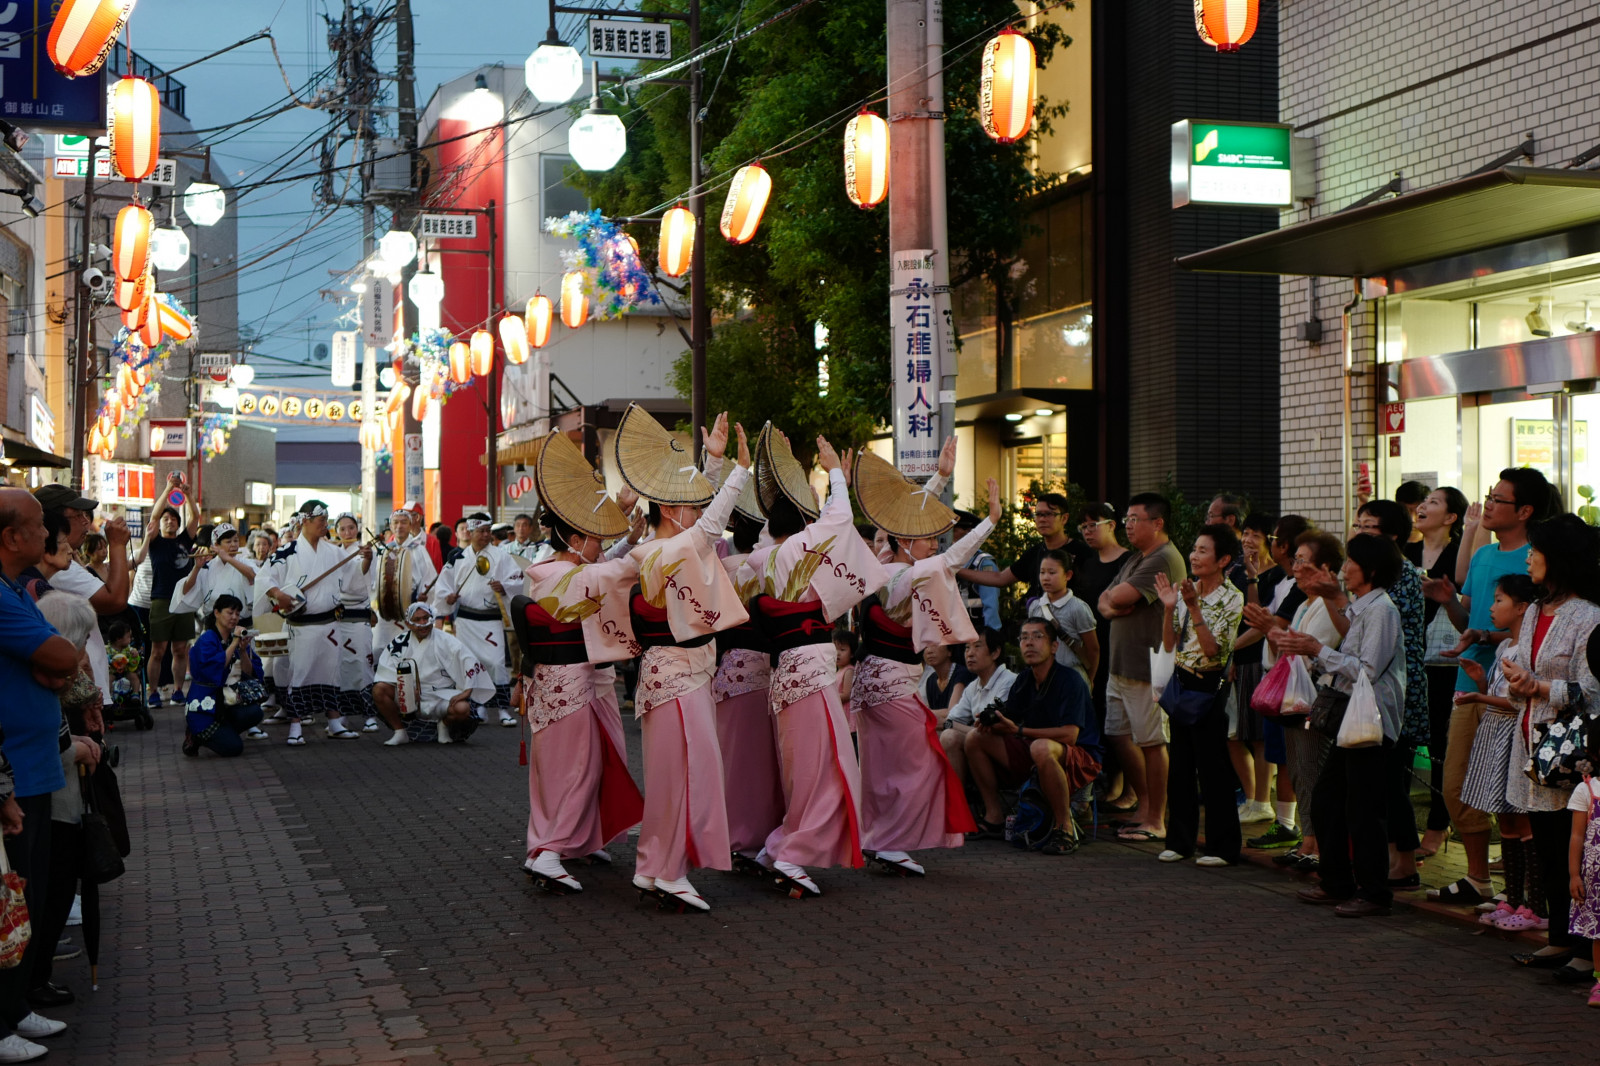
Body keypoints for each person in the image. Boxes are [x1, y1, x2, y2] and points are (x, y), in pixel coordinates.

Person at [617, 408, 752, 910]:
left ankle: (656, 866)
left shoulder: (666, 546)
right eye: (687, 508)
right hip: (675, 677)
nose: (697, 512)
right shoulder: (656, 554)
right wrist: (736, 471)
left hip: (677, 675)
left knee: (677, 773)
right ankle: (667, 868)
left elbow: (700, 520)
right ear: (671, 512)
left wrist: (712, 464)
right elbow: (707, 526)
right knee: (687, 772)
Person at [745, 428, 883, 897]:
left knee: (802, 765)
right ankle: (789, 851)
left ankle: (779, 847)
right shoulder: (801, 546)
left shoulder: (762, 557)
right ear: (805, 521)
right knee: (820, 766)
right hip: (809, 666)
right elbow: (841, 516)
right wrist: (835, 472)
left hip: (789, 669)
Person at [849, 461, 995, 876]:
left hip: (871, 683)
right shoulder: (909, 577)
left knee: (880, 767)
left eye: (933, 539)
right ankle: (891, 841)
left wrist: (941, 479)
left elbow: (906, 527)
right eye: (927, 539)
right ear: (906, 543)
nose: (933, 544)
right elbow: (951, 559)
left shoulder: (881, 565)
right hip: (893, 686)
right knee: (921, 764)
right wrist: (990, 521)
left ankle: (878, 838)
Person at [516, 429, 646, 893]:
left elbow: (602, 566)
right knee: (574, 766)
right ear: (574, 539)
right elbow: (609, 571)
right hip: (568, 678)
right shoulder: (562, 575)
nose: (598, 544)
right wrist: (652, 544)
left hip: (570, 678)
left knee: (597, 757)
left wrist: (625, 523)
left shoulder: (557, 569)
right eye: (592, 538)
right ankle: (549, 849)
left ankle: (578, 839)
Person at [1424, 466, 1553, 906]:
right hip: (1470, 679)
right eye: (1491, 497)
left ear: (1526, 510)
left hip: (1512, 689)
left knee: (1511, 795)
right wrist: (1450, 606)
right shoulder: (1482, 557)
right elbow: (1472, 618)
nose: (1489, 505)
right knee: (1456, 784)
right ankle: (1478, 878)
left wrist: (1484, 636)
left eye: (1498, 499)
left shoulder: (1538, 557)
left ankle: (1528, 898)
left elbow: (1532, 630)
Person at [1278, 534, 1408, 918]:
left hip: (1371, 724)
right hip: (1353, 721)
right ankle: (1337, 882)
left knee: (1363, 809)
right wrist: (1315, 653)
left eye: (1350, 562)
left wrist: (1318, 651)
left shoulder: (1382, 610)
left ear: (1369, 570)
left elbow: (1367, 671)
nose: (1343, 569)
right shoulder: (1360, 608)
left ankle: (1373, 893)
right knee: (1329, 800)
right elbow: (1350, 664)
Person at [0, 489, 83, 1056]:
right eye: (37, 526)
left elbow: (61, 659)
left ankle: (16, 1005)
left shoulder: (16, 590)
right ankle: (2, 1022)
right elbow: (60, 658)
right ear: (11, 537)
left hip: (35, 765)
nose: (46, 535)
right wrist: (50, 664)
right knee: (11, 894)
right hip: (12, 772)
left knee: (30, 892)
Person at [1499, 514, 1600, 982]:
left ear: (1556, 556)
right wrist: (1515, 676)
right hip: (1532, 744)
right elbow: (1522, 664)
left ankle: (1584, 947)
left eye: (1535, 549)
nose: (1528, 556)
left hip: (1572, 751)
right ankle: (1559, 937)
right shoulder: (1537, 610)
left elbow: (1592, 692)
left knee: (1573, 848)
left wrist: (1538, 687)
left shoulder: (1589, 616)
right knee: (1547, 843)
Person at [964, 618, 1101, 856]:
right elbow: (1012, 719)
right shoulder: (1024, 680)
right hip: (1037, 748)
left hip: (1081, 755)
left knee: (1040, 748)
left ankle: (1064, 828)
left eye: (1037, 637)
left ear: (1054, 647)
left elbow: (1070, 735)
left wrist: (1017, 731)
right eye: (1024, 637)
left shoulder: (1071, 680)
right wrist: (992, 721)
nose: (1029, 643)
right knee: (975, 738)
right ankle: (994, 817)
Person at [1253, 531, 1346, 872]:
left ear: (1325, 567)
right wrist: (1274, 634)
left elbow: (1308, 650)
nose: (1296, 566)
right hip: (1297, 695)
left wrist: (1270, 631)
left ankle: (1317, 843)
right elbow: (1286, 650)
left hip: (1314, 696)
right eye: (1296, 560)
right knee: (1299, 770)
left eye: (1303, 560)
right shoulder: (1306, 602)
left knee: (1311, 770)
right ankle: (1308, 839)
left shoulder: (1326, 604)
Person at [29, 591, 102, 1018]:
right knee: (50, 888)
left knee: (56, 887)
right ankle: (33, 982)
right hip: (48, 798)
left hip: (58, 791)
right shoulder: (45, 672)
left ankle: (36, 978)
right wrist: (72, 748)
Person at [1098, 492, 1187, 844]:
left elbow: (1116, 599)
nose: (1129, 526)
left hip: (1146, 666)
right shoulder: (1138, 557)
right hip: (1121, 665)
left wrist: (1112, 603)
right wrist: (1110, 604)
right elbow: (1104, 599)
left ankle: (1156, 818)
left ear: (1157, 522)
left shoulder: (1164, 558)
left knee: (1151, 742)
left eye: (1135, 519)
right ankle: (1144, 806)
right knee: (1118, 735)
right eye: (1128, 519)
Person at [1155, 523, 1245, 867]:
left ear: (1223, 559)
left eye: (1203, 551)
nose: (1194, 555)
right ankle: (1180, 841)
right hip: (1181, 682)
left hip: (1209, 687)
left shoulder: (1232, 597)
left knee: (1213, 770)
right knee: (1179, 767)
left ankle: (1223, 848)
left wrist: (1193, 607)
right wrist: (1168, 606)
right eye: (1194, 549)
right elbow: (1168, 643)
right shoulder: (1184, 590)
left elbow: (1212, 652)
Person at [1456, 574, 1539, 930]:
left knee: (1521, 818)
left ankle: (1535, 904)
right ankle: (1513, 898)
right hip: (1496, 736)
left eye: (1500, 600)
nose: (1491, 607)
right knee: (1504, 818)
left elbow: (1515, 702)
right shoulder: (1505, 648)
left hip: (1513, 739)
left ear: (1522, 608)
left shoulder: (1530, 649)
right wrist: (1479, 681)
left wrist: (1479, 696)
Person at [1355, 499, 1427, 887]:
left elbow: (1377, 636)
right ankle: (1393, 859)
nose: (1361, 534)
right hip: (1376, 686)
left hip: (1398, 688)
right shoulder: (1376, 574)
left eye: (1371, 528)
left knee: (1392, 779)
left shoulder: (1403, 576)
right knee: (1381, 779)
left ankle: (1405, 862)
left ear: (1394, 535)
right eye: (1358, 526)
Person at [263, 500, 365, 744]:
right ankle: (295, 727)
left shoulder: (334, 551)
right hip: (302, 624)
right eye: (321, 521)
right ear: (305, 521)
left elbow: (352, 576)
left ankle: (334, 722)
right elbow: (264, 577)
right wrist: (279, 594)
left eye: (326, 521)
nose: (325, 526)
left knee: (331, 674)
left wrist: (368, 560)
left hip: (330, 623)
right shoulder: (288, 551)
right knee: (300, 674)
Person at [1242, 515, 1314, 849]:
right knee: (1281, 755)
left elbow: (1274, 625)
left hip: (1296, 680)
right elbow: (1263, 619)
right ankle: (1287, 824)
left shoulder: (1301, 588)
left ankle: (1303, 832)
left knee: (1296, 758)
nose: (1299, 564)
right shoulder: (1285, 582)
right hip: (1278, 673)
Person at [33, 484, 130, 732]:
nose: (87, 524)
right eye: (79, 516)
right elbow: (115, 600)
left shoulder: (64, 563)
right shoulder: (55, 570)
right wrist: (117, 545)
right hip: (71, 688)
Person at [1407, 486, 1467, 858]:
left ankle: (1437, 825)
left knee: (1442, 746)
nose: (1422, 506)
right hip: (1409, 656)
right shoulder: (1408, 552)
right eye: (1423, 501)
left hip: (1445, 660)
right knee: (1411, 742)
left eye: (1433, 502)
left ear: (1450, 518)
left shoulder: (1459, 554)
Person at [431, 511, 524, 726]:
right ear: (470, 532)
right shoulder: (458, 557)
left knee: (497, 662)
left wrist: (505, 587)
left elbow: (517, 578)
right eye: (480, 531)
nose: (485, 535)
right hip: (465, 619)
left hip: (490, 619)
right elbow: (443, 586)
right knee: (471, 663)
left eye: (487, 531)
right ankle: (478, 706)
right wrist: (449, 597)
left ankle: (502, 709)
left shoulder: (500, 556)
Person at [372, 601, 496, 745]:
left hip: (441, 697)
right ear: (409, 623)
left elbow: (468, 661)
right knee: (379, 690)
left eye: (426, 618)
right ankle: (400, 732)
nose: (423, 623)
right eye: (417, 620)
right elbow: (386, 672)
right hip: (410, 698)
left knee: (463, 708)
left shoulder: (446, 640)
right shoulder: (399, 642)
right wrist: (405, 689)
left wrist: (467, 691)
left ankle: (443, 724)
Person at [369, 506, 441, 729]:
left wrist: (422, 599)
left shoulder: (419, 550)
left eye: (404, 522)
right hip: (386, 616)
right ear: (390, 526)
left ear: (411, 526)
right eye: (396, 522)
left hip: (410, 613)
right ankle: (379, 706)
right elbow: (374, 584)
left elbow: (429, 583)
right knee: (380, 653)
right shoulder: (383, 550)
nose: (399, 526)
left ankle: (412, 707)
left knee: (411, 659)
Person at [1229, 511, 1277, 824]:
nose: (1248, 539)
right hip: (1235, 662)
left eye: (1255, 535)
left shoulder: (1275, 576)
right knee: (1232, 733)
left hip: (1259, 662)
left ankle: (1263, 801)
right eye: (1245, 533)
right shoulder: (1235, 571)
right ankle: (1250, 797)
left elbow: (1258, 619)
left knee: (1258, 736)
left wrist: (1253, 577)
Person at [139, 474, 200, 707]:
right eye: (166, 519)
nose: (169, 522)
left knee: (180, 649)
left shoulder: (185, 540)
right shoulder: (155, 542)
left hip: (184, 599)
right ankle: (152, 691)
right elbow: (154, 515)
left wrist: (189, 495)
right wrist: (167, 489)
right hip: (161, 599)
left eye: (173, 519)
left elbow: (195, 517)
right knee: (158, 650)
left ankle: (177, 691)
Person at [181, 594, 265, 758]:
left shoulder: (235, 639)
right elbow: (214, 669)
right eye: (230, 612)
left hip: (226, 704)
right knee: (234, 748)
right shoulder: (207, 639)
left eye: (237, 613)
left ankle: (222, 733)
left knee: (255, 712)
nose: (234, 617)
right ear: (217, 613)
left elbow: (250, 674)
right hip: (205, 709)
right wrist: (234, 643)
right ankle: (196, 735)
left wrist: (242, 650)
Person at [955, 486, 1070, 602]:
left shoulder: (1082, 553)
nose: (1042, 519)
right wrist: (953, 569)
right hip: (1038, 617)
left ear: (1064, 518)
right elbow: (1000, 578)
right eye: (1039, 514)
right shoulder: (1034, 552)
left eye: (1049, 514)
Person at [939, 628, 1017, 783]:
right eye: (967, 648)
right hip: (978, 743)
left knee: (949, 736)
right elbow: (952, 720)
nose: (970, 653)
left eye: (977, 646)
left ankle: (960, 801)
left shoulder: (1009, 681)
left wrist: (948, 724)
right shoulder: (973, 686)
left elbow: (989, 729)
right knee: (933, 734)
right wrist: (947, 724)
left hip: (1006, 749)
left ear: (995, 653)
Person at [329, 515, 376, 733]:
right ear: (336, 531)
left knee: (362, 662)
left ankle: (370, 714)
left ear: (357, 530)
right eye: (343, 529)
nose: (347, 533)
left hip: (358, 614)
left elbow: (363, 570)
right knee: (341, 665)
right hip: (338, 616)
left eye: (351, 528)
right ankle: (345, 713)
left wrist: (366, 558)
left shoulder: (365, 550)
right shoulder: (333, 552)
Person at [1029, 548, 1098, 687]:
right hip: (1042, 680)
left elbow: (1093, 650)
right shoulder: (1035, 606)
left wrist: (1089, 680)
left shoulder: (1078, 608)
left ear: (1068, 575)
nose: (1046, 577)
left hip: (1071, 679)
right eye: (1042, 572)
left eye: (1052, 572)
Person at [172, 522, 256, 625]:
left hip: (241, 624)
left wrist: (228, 559)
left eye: (236, 540)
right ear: (216, 545)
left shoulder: (244, 562)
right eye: (228, 541)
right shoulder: (208, 566)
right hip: (214, 626)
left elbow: (253, 576)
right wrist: (197, 567)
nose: (234, 545)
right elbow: (186, 590)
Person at [952, 509, 1002, 632]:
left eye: (953, 529)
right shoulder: (945, 559)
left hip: (975, 631)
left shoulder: (983, 563)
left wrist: (990, 634)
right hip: (951, 633)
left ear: (968, 532)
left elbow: (991, 605)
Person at [920, 643, 971, 715]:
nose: (929, 651)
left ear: (949, 651)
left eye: (935, 645)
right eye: (925, 647)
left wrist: (923, 713)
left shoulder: (961, 673)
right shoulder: (930, 680)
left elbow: (952, 712)